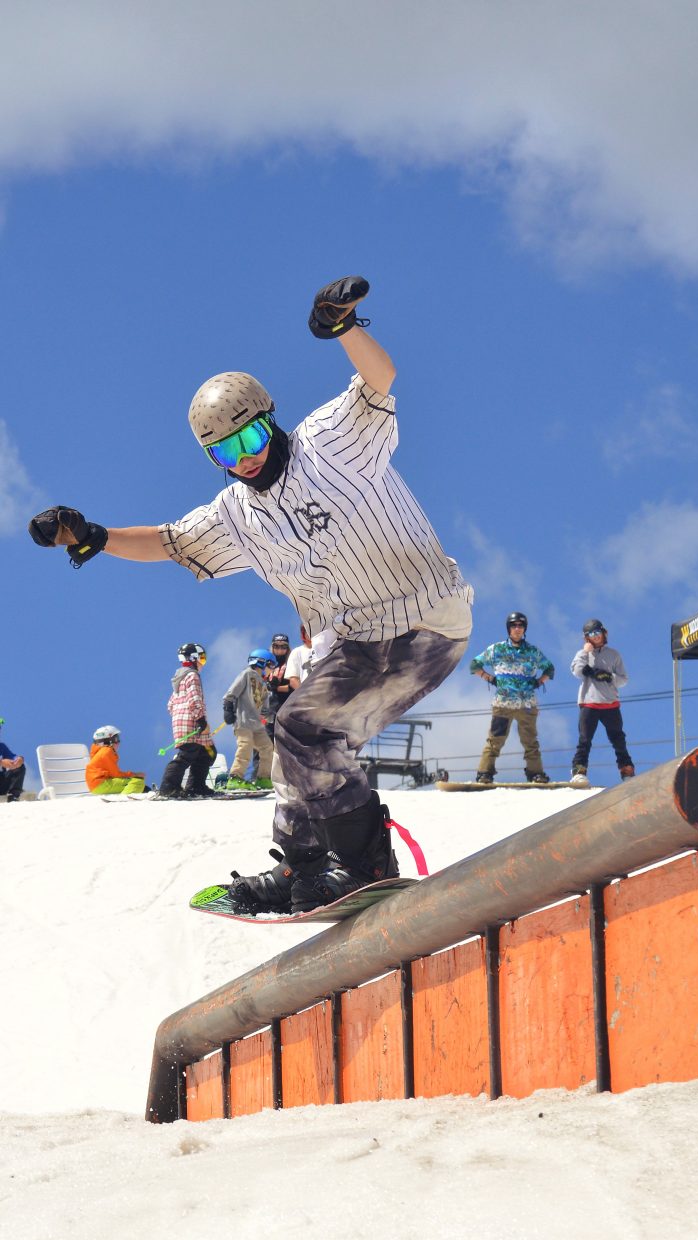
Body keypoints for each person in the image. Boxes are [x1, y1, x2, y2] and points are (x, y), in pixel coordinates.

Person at [28, 275, 473, 913]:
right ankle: (301, 870)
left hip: (420, 616)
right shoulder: (237, 514)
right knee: (291, 759)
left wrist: (343, 328)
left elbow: (380, 379)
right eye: (224, 453)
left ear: (270, 421)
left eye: (250, 440)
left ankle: (366, 864)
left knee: (305, 728)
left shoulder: (328, 442)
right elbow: (170, 541)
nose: (243, 460)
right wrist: (94, 534)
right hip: (353, 640)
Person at [470, 612, 554, 784]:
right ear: (509, 628)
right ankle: (485, 773)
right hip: (503, 703)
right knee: (495, 739)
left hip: (527, 704)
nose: (517, 629)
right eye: (514, 626)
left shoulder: (532, 652)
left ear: (524, 629)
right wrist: (490, 678)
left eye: (520, 626)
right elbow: (474, 665)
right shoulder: (497, 649)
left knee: (530, 741)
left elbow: (549, 668)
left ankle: (535, 773)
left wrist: (539, 682)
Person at [570, 618, 634, 785]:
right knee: (585, 739)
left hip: (610, 703)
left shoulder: (613, 654)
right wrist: (585, 653)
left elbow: (624, 679)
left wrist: (608, 676)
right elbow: (577, 671)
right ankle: (579, 770)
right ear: (586, 637)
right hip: (589, 702)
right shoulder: (582, 654)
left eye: (597, 632)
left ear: (604, 633)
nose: (595, 636)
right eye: (591, 634)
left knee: (618, 739)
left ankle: (626, 770)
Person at [159, 643, 216, 799]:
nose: (203, 663)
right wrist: (201, 719)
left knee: (207, 753)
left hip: (182, 720)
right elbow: (195, 698)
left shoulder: (179, 678)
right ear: (193, 658)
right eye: (202, 659)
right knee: (188, 753)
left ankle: (197, 786)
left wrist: (180, 715)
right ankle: (169, 787)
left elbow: (170, 704)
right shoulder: (192, 675)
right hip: (192, 720)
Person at [223, 649, 276, 790]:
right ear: (262, 663)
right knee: (245, 746)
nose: (273, 670)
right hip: (243, 721)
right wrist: (228, 708)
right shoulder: (246, 674)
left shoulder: (264, 685)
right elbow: (231, 692)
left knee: (268, 748)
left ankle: (263, 778)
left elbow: (264, 709)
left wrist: (271, 715)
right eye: (272, 666)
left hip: (257, 725)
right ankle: (235, 778)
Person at [86, 725, 146, 795]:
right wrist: (135, 774)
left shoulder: (100, 752)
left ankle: (141, 792)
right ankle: (124, 799)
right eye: (116, 739)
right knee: (138, 781)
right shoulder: (107, 752)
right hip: (101, 784)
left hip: (97, 785)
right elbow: (116, 775)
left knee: (137, 784)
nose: (118, 742)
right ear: (108, 741)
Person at [264, 633, 294, 742]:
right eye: (276, 646)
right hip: (267, 708)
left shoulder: (291, 664)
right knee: (265, 741)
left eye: (283, 647)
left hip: (285, 707)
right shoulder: (266, 664)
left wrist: (276, 688)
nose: (279, 649)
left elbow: (293, 687)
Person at [0, 717, 26, 802]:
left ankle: (13, 797)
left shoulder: (2, 747)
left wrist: (20, 759)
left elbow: (15, 758)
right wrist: (1, 762)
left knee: (20, 767)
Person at [284, 625, 315, 690]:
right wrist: (305, 694)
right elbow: (293, 679)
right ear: (303, 634)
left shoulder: (327, 648)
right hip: (308, 692)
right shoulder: (297, 652)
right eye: (308, 631)